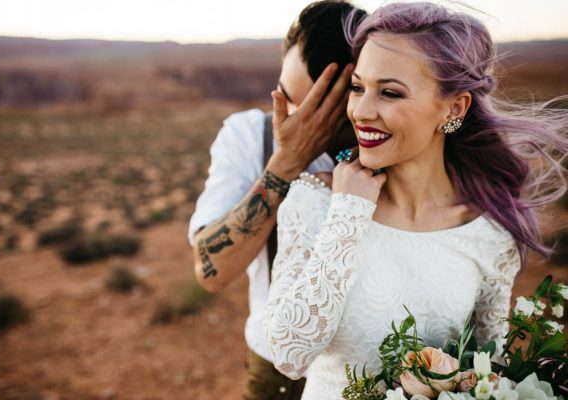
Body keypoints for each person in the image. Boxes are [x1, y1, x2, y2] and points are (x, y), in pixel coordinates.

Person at [264, 2, 568, 399]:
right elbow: (288, 355)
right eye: (358, 87)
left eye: (389, 93)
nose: (361, 111)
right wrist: (349, 214)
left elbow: (488, 373)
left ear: (454, 108)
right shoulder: (315, 202)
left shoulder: (489, 232)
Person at [188, 2, 367, 399]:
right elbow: (210, 270)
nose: (301, 123)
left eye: (324, 111)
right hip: (278, 373)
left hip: (370, 370)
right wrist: (286, 161)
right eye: (287, 100)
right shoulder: (249, 135)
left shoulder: (389, 136)